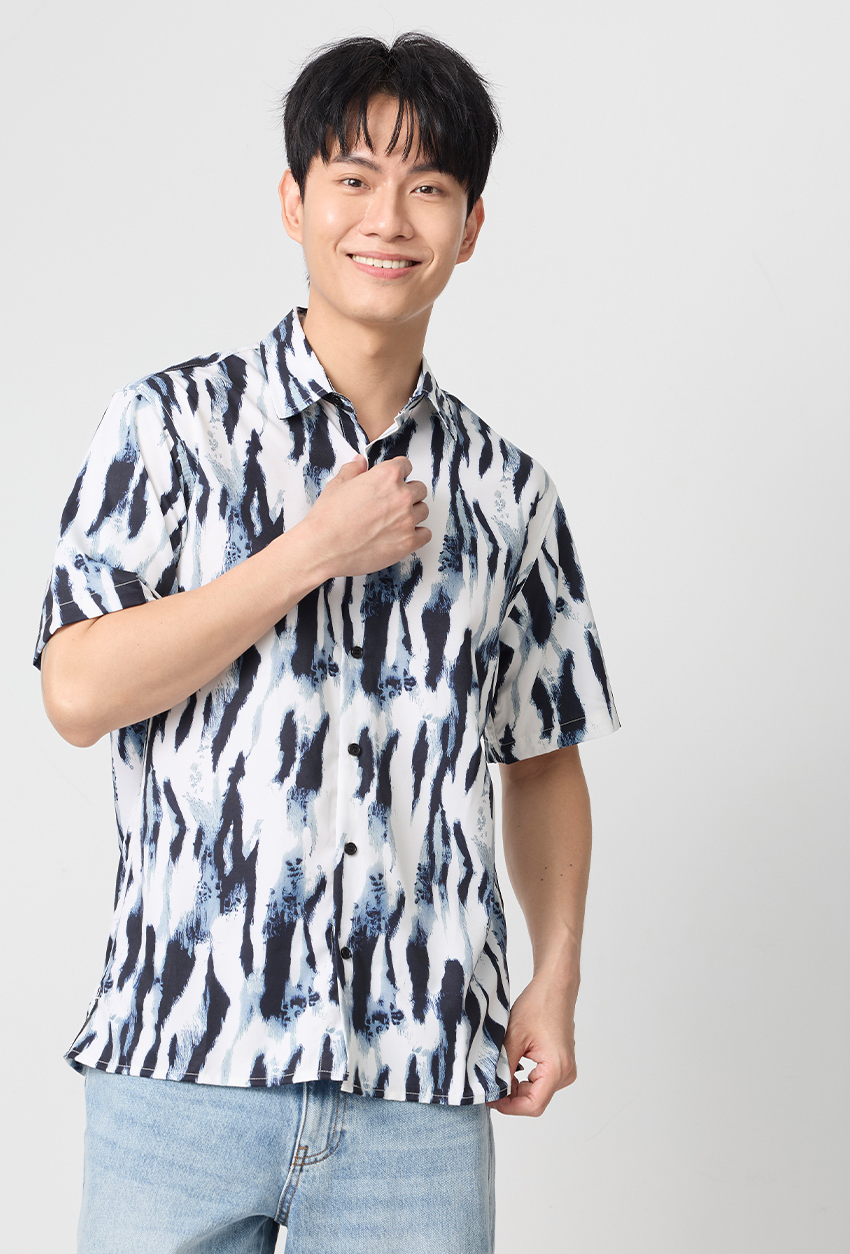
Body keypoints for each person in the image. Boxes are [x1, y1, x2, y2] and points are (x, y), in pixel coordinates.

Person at [33, 30, 620, 1254]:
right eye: (353, 178)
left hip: (417, 1095)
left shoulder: (507, 490)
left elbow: (543, 755)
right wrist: (304, 554)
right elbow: (77, 691)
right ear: (294, 202)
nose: (387, 219)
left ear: (470, 227)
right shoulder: (171, 426)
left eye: (429, 187)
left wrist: (555, 973)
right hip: (182, 1063)